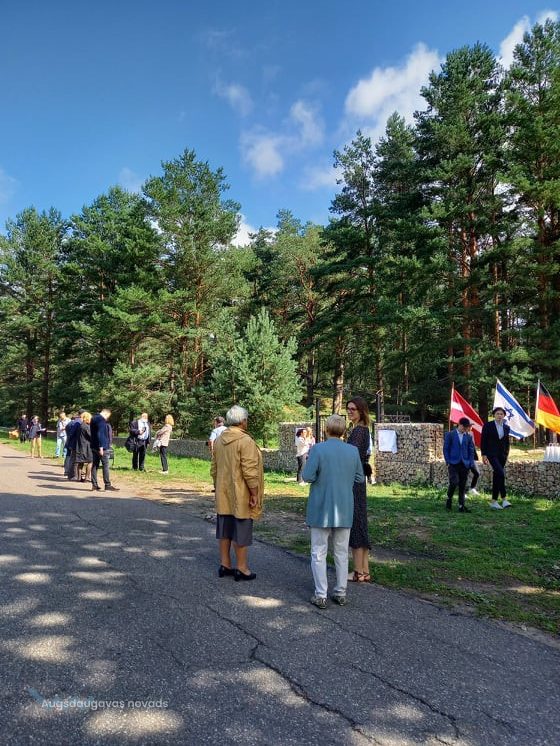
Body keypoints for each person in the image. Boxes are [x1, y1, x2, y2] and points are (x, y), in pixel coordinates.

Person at [302, 414, 364, 609]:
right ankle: (340, 592)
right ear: (344, 431)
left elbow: (307, 476)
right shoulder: (352, 451)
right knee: (341, 552)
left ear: (326, 429)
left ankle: (321, 594)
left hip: (321, 507)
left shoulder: (318, 449)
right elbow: (360, 477)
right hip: (344, 507)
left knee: (318, 551)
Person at [210, 405, 264, 582]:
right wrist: (254, 493)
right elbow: (249, 471)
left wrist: (218, 486)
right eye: (246, 419)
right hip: (241, 493)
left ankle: (225, 564)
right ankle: (242, 568)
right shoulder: (245, 441)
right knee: (241, 528)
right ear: (242, 421)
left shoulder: (219, 440)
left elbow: (214, 469)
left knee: (224, 528)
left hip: (223, 491)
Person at [346, 396, 373, 582]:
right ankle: (364, 571)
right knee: (361, 522)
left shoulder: (358, 432)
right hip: (360, 480)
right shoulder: (364, 430)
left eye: (353, 409)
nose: (349, 411)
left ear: (361, 411)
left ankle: (357, 571)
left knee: (356, 523)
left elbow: (351, 457)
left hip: (354, 481)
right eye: (348, 408)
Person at [481, 406, 511, 510]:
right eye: (497, 413)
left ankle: (503, 500)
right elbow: (483, 440)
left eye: (501, 414)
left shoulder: (506, 427)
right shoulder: (488, 425)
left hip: (502, 455)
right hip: (491, 454)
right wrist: (483, 454)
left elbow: (507, 442)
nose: (499, 415)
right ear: (494, 415)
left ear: (504, 416)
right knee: (501, 473)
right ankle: (495, 500)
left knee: (497, 475)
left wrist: (506, 454)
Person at [443, 417, 475, 513]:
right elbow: (446, 448)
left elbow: (471, 451)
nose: (465, 429)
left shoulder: (468, 437)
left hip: (465, 464)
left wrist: (470, 463)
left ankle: (461, 505)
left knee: (462, 485)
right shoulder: (450, 435)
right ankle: (449, 498)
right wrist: (448, 460)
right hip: (453, 463)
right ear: (459, 425)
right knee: (454, 482)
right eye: (464, 427)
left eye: (467, 427)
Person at [91, 408, 119, 492]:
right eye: (108, 416)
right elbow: (101, 434)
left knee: (95, 465)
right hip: (102, 447)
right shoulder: (101, 420)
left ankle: (94, 484)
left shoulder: (94, 418)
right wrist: (101, 447)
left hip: (94, 446)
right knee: (105, 465)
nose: (107, 418)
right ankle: (107, 484)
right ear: (106, 413)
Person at [74, 412, 93, 483]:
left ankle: (79, 478)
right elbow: (91, 436)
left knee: (80, 462)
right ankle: (87, 478)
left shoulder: (80, 425)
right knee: (90, 461)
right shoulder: (86, 426)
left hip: (79, 446)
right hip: (87, 446)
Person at [64, 412, 83, 479]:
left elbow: (69, 433)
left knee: (69, 457)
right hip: (75, 443)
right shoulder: (78, 423)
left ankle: (68, 472)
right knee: (73, 459)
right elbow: (72, 433)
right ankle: (73, 474)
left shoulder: (70, 423)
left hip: (70, 442)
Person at [465, 423, 481, 496]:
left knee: (477, 473)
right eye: (469, 426)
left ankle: (472, 488)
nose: (470, 427)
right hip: (464, 458)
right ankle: (463, 492)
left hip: (472, 458)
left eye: (471, 426)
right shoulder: (461, 434)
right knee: (465, 475)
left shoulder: (471, 434)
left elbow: (472, 446)